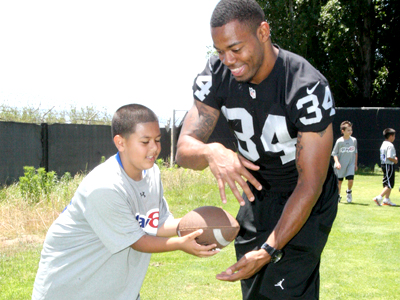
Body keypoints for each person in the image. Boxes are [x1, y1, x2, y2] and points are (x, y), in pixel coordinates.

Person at [175, 0, 338, 299]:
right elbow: (183, 151)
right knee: (255, 292)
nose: (228, 60)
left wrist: (268, 249)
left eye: (236, 49)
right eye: (220, 51)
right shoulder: (217, 75)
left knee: (284, 291)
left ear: (263, 32)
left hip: (304, 196)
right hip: (257, 194)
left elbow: (310, 183)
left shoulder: (304, 86)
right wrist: (212, 151)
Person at [32, 104, 218, 300]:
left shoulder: (152, 173)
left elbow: (156, 223)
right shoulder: (104, 186)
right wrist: (180, 243)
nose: (154, 148)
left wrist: (195, 226)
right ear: (120, 143)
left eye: (157, 140)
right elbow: (138, 241)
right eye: (145, 141)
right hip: (69, 292)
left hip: (117, 292)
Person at [332, 121, 358, 203]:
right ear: (343, 131)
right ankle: (338, 195)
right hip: (341, 165)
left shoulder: (354, 140)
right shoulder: (339, 141)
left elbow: (355, 152)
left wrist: (355, 164)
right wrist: (337, 162)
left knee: (350, 180)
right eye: (348, 130)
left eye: (351, 130)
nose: (350, 132)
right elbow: (334, 153)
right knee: (339, 181)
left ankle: (349, 192)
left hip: (350, 164)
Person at [373, 128, 398, 206]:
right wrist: (395, 160)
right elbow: (389, 157)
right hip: (389, 165)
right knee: (389, 184)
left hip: (384, 165)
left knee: (390, 183)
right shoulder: (390, 145)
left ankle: (386, 200)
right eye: (394, 136)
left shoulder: (383, 144)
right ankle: (379, 197)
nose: (394, 138)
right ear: (390, 136)